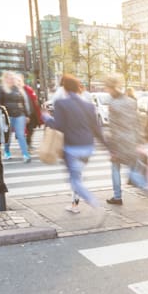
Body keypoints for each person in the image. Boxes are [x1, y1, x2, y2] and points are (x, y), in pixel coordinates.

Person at [42, 75, 109, 213]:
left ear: (65, 88)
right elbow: (97, 129)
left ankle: (95, 204)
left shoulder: (61, 103)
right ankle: (74, 204)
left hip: (72, 148)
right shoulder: (89, 106)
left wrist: (46, 117)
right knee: (77, 177)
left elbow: (59, 126)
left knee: (75, 181)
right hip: (88, 148)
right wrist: (108, 148)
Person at [101, 74, 148, 206]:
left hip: (119, 142)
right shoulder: (131, 101)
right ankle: (144, 186)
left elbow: (113, 127)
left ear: (111, 88)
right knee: (132, 168)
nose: (106, 90)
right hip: (132, 140)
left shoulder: (113, 104)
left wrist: (112, 148)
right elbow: (136, 122)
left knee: (115, 169)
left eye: (106, 87)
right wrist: (139, 141)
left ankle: (117, 196)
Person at [0, 72, 32, 162]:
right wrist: (1, 116)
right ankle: (7, 151)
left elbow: (24, 102)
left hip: (20, 114)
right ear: (5, 79)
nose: (12, 79)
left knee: (21, 135)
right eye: (9, 78)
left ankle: (25, 155)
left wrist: (27, 115)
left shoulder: (18, 88)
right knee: (7, 135)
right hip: (7, 115)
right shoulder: (1, 89)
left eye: (13, 78)